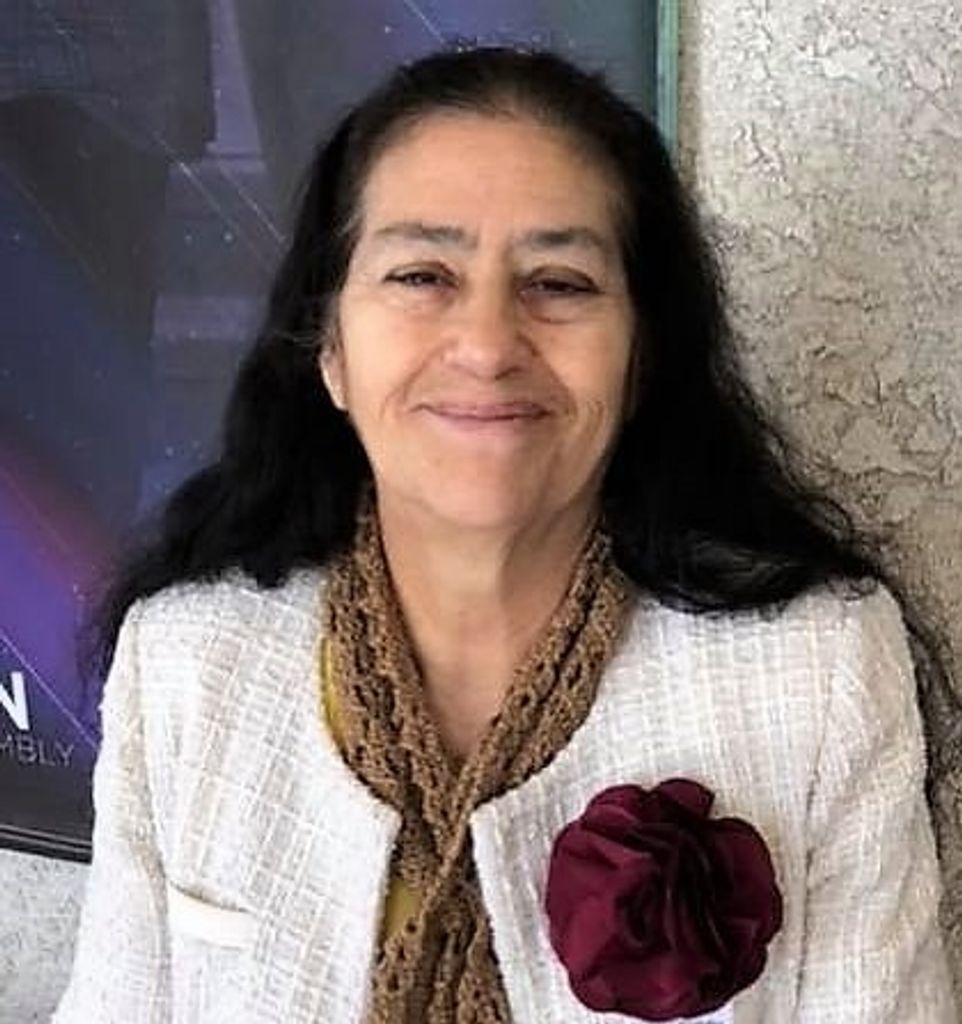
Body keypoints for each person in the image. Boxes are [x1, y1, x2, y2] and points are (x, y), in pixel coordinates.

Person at [53, 46, 956, 1023]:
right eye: (421, 274)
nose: (487, 345)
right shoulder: (187, 658)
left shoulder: (817, 669)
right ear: (331, 351)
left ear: (641, 356)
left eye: (558, 282)